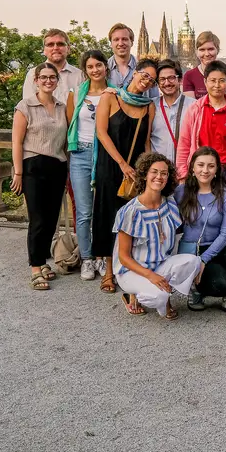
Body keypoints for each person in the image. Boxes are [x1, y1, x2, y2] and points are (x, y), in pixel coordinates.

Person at [91, 59, 157, 293]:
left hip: (136, 171)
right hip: (111, 167)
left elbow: (146, 141)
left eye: (151, 79)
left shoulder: (149, 106)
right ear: (135, 73)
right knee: (108, 217)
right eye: (144, 74)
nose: (146, 80)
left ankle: (127, 268)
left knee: (130, 222)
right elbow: (101, 132)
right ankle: (108, 272)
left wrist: (149, 171)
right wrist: (122, 164)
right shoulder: (110, 97)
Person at [176, 60, 226, 251]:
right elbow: (184, 144)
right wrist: (182, 174)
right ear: (205, 81)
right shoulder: (195, 109)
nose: (217, 85)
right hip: (202, 172)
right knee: (201, 216)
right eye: (212, 81)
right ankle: (200, 256)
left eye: (221, 81)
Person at [112, 153, 202, 318]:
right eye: (154, 172)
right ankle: (136, 293)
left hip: (159, 265)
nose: (159, 177)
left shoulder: (170, 205)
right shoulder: (130, 212)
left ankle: (163, 291)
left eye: (164, 173)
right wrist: (150, 276)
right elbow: (124, 257)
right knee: (157, 297)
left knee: (194, 261)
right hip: (132, 271)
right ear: (145, 175)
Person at [175, 146, 226, 318]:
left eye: (211, 166)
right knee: (221, 283)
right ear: (192, 168)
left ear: (217, 169)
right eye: (200, 165)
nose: (205, 170)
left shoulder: (225, 194)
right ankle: (197, 290)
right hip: (192, 250)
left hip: (217, 247)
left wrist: (204, 259)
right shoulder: (181, 191)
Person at [12, 63, 69, 291]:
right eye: (43, 77)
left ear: (57, 81)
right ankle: (36, 267)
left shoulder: (61, 106)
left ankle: (43, 261)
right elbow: (16, 141)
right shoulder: (25, 106)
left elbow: (65, 141)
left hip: (57, 165)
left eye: (52, 77)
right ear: (36, 80)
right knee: (37, 219)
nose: (48, 81)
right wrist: (18, 172)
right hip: (33, 165)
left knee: (50, 218)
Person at [65, 49, 115, 281]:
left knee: (103, 211)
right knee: (84, 212)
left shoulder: (115, 93)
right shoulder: (76, 94)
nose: (95, 70)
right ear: (85, 70)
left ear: (106, 66)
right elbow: (69, 124)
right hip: (81, 154)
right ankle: (87, 258)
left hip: (104, 155)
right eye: (90, 66)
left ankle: (102, 257)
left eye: (99, 65)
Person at [149, 59, 195, 164]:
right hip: (159, 172)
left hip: (185, 170)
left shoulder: (194, 106)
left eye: (171, 78)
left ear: (180, 80)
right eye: (162, 79)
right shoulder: (151, 106)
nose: (167, 83)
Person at [23, 28, 85, 103]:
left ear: (68, 48)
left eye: (60, 44)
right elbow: (28, 106)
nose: (55, 48)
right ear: (44, 50)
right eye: (50, 45)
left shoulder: (80, 75)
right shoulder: (33, 74)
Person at [182, 31, 226, 98]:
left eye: (210, 49)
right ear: (197, 52)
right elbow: (191, 106)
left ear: (217, 50)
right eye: (202, 50)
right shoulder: (189, 76)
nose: (207, 54)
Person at [106, 22, 138, 90]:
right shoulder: (103, 69)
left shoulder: (142, 68)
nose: (120, 43)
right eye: (116, 40)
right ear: (111, 44)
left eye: (124, 39)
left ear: (131, 42)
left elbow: (154, 98)